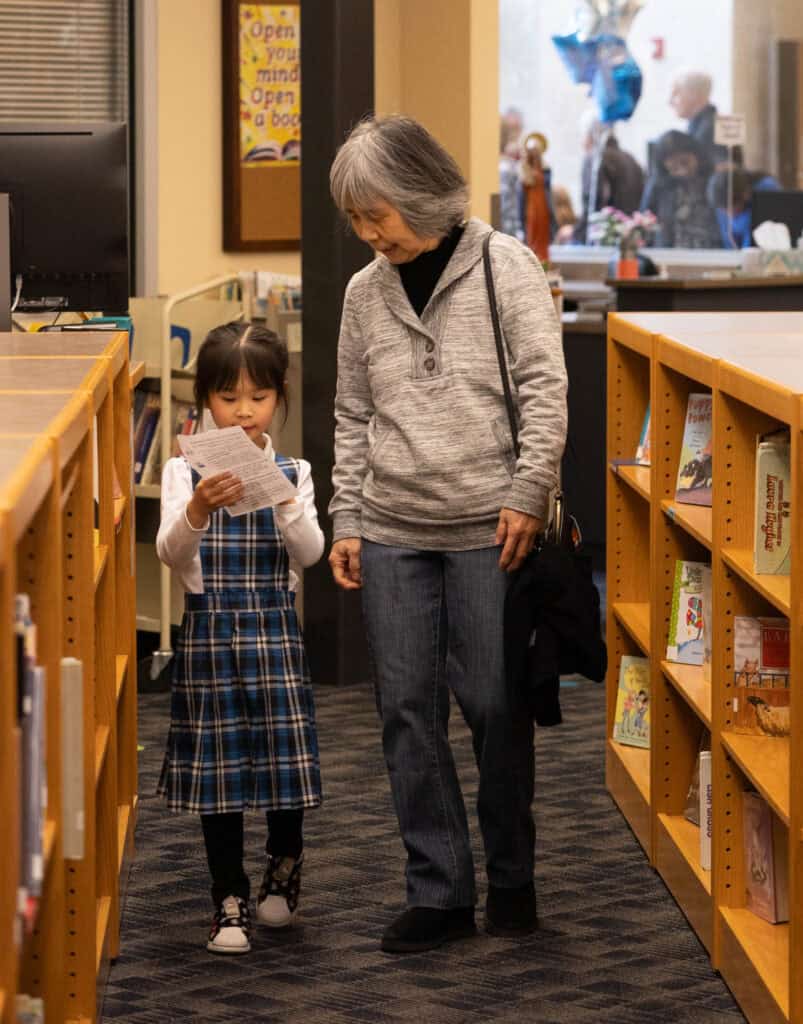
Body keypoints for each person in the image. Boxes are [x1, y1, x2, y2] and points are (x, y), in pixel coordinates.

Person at [327, 115, 568, 954]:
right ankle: (437, 890)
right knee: (405, 711)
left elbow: (544, 389)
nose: (366, 233)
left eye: (376, 214)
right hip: (392, 528)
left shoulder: (506, 266)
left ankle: (512, 878)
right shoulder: (365, 292)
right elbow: (352, 413)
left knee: (495, 706)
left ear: (422, 194)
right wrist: (346, 517)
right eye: (355, 219)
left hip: (488, 528)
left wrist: (528, 490)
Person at [156, 322, 324, 955]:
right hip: (209, 635)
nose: (244, 411)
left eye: (258, 396)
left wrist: (284, 501)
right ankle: (228, 896)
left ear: (278, 397)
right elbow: (171, 555)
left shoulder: (296, 469)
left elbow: (309, 554)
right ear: (205, 399)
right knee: (219, 773)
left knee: (283, 763)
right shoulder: (181, 470)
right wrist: (198, 506)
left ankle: (285, 863)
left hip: (273, 631)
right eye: (228, 397)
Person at [562, 111, 644, 244]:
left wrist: (575, 233)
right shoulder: (632, 160)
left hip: (603, 240)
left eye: (583, 135)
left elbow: (593, 206)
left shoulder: (595, 160)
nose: (582, 142)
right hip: (629, 240)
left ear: (590, 135)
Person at [641, 130, 721, 249]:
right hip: (669, 253)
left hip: (710, 252)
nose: (683, 172)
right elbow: (645, 220)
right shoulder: (658, 186)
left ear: (696, 155)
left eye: (685, 163)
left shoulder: (712, 180)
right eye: (674, 168)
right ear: (664, 167)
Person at [707, 165, 780, 248]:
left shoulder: (766, 189)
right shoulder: (720, 200)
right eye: (724, 210)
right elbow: (728, 243)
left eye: (733, 208)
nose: (729, 214)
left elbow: (757, 241)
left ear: (746, 194)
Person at [669, 69, 729, 166]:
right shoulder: (710, 123)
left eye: (676, 94)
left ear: (693, 95)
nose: (670, 102)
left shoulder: (709, 129)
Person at [519, 131, 553, 261]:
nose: (534, 154)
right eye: (532, 151)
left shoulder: (545, 168)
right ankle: (533, 260)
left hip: (543, 206)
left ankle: (544, 261)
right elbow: (523, 188)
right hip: (531, 206)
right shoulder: (524, 168)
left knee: (543, 234)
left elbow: (547, 187)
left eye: (536, 151)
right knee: (532, 233)